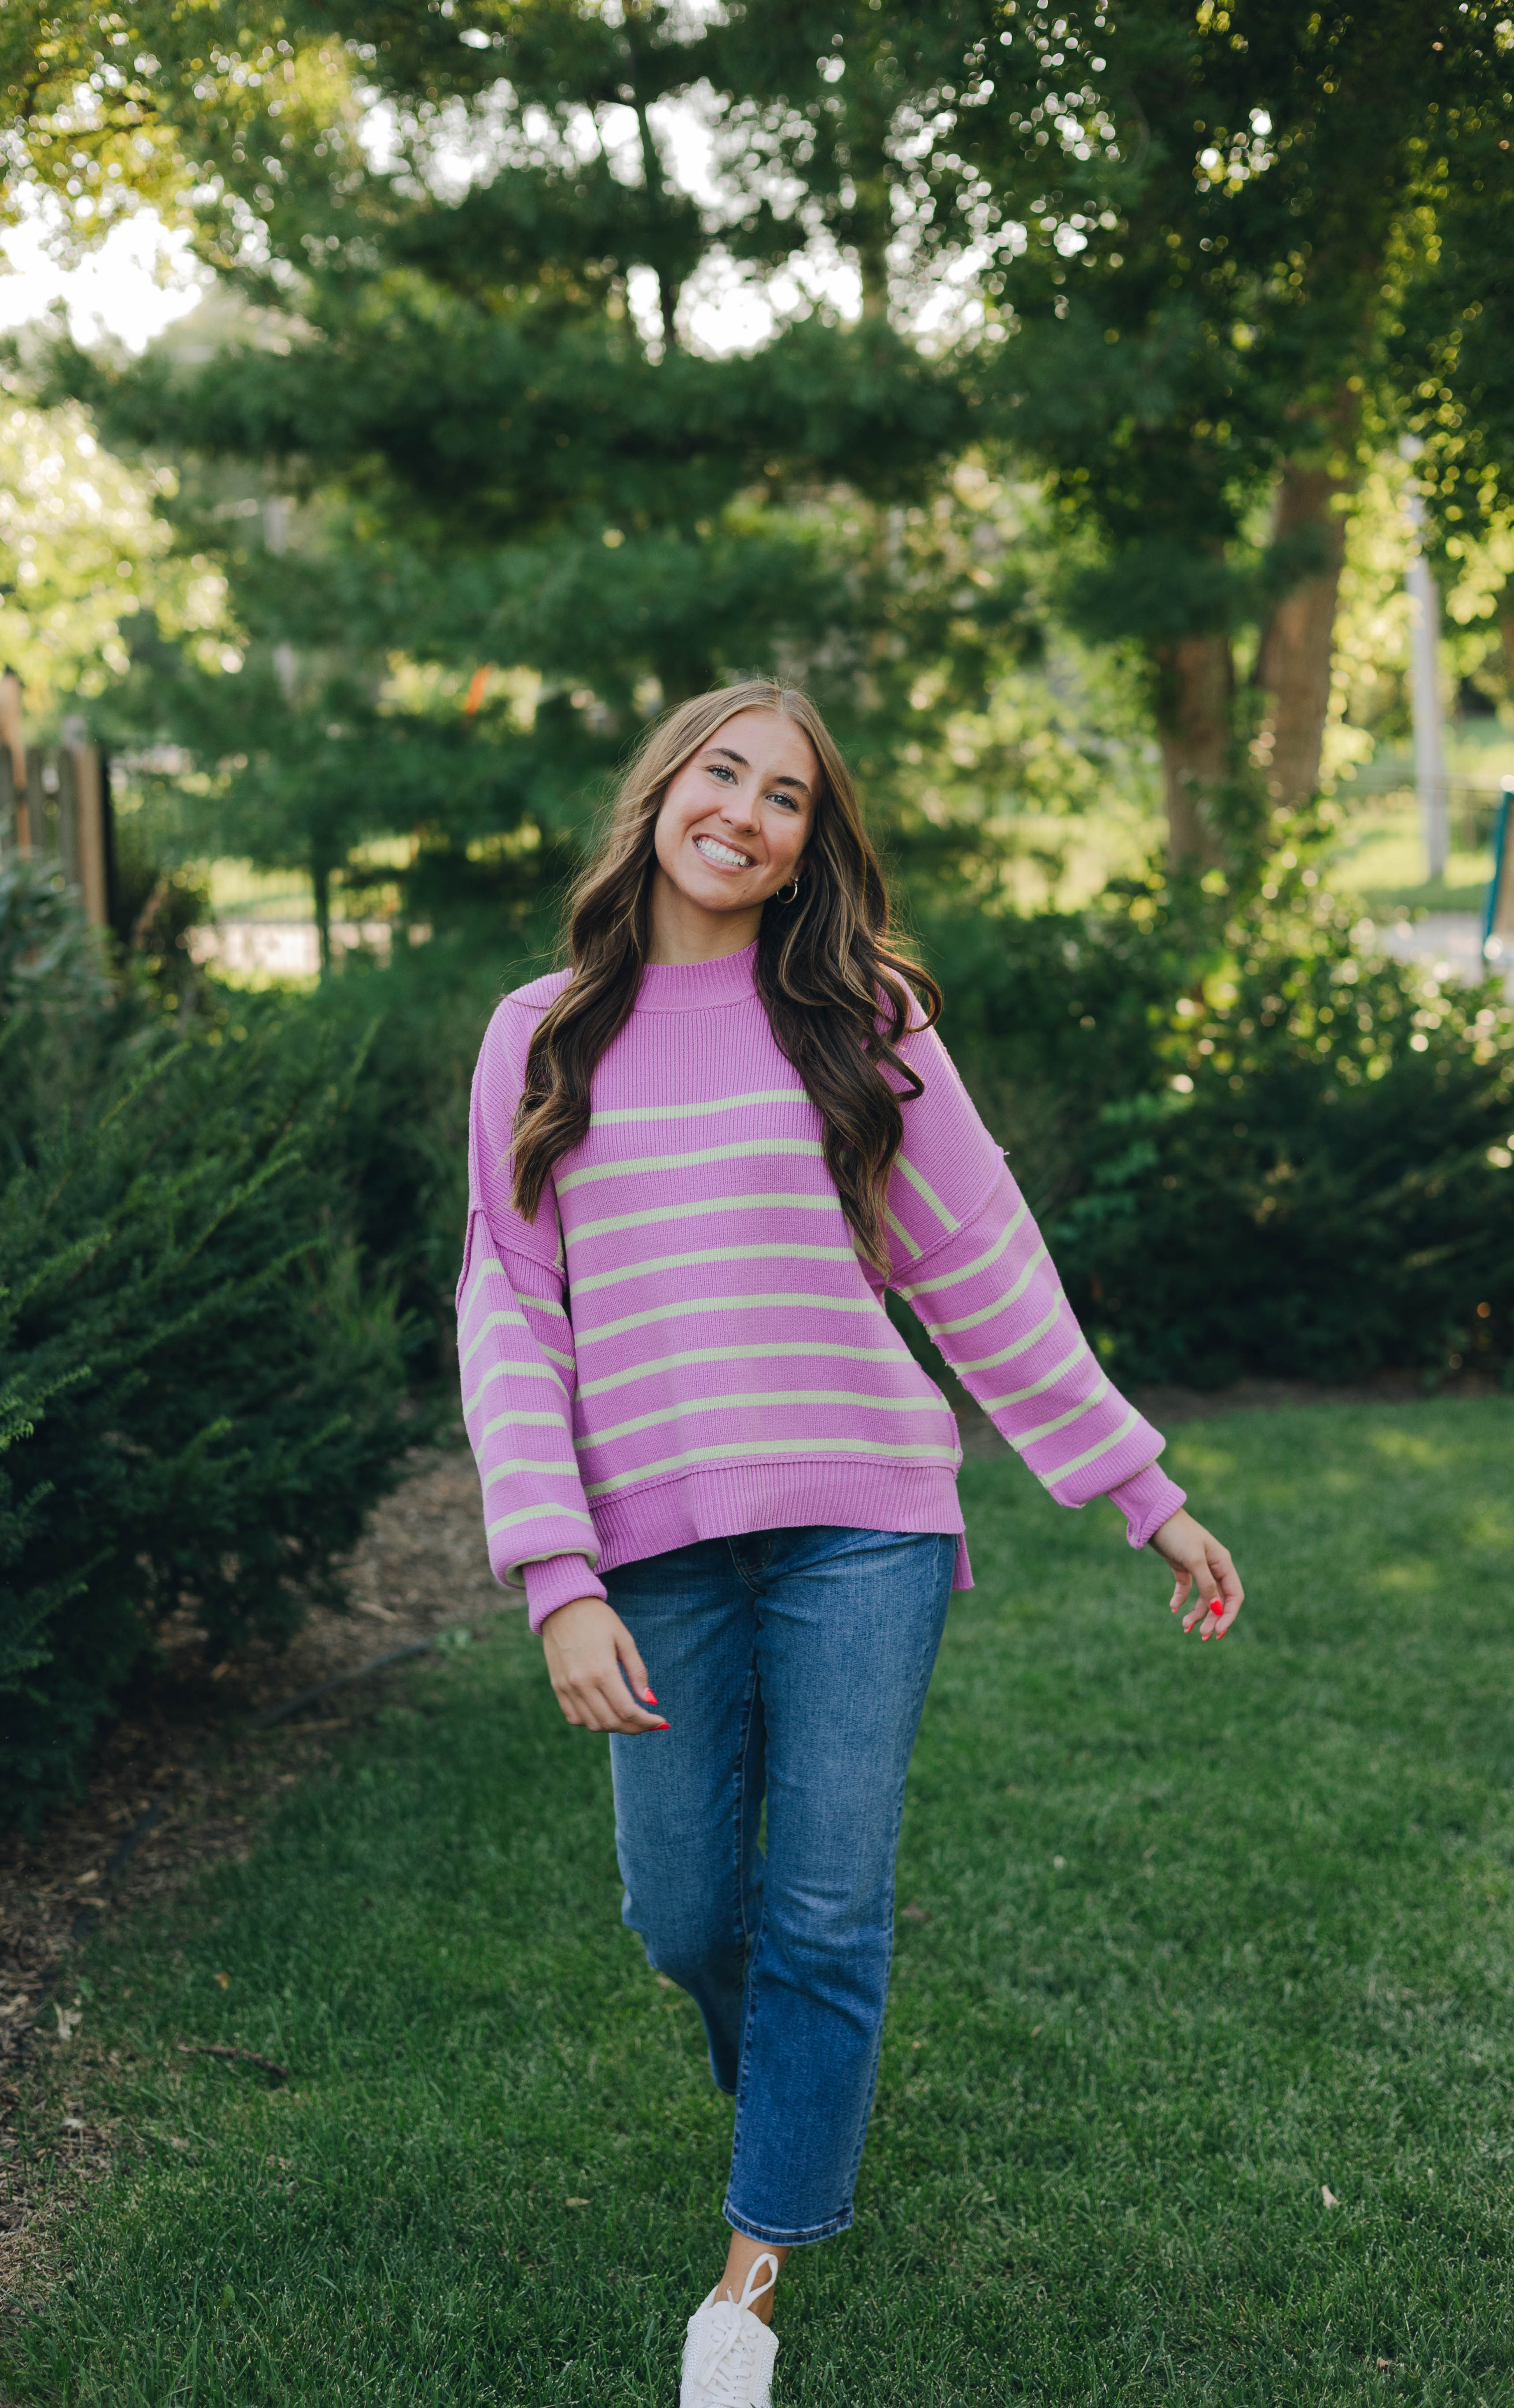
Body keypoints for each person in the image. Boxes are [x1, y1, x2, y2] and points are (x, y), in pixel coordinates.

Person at [456, 679, 1243, 2407]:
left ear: (817, 839)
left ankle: (747, 2289)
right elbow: (511, 1317)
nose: (746, 812)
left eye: (788, 796)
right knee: (681, 1915)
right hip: (651, 1549)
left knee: (822, 1904)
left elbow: (983, 1266)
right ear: (663, 791)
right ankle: (797, 2083)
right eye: (721, 774)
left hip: (862, 1528)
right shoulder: (542, 1035)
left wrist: (1142, 1488)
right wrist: (556, 1578)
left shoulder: (858, 1019)